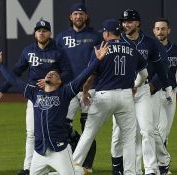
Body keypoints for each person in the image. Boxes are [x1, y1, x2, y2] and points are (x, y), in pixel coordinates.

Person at [0, 37, 106, 174]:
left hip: (59, 150)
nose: (50, 74)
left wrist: (98, 60)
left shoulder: (65, 92)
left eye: (54, 74)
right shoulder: (33, 92)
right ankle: (78, 170)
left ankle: (79, 171)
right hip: (40, 151)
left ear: (60, 81)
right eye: (49, 73)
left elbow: (83, 76)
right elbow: (13, 79)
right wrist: (0, 64)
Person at [0, 19, 72, 175]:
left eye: (44, 30)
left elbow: (68, 72)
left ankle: (61, 161)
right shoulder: (28, 51)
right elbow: (16, 72)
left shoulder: (58, 51)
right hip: (35, 96)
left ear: (49, 33)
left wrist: (53, 80)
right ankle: (28, 167)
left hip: (55, 97)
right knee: (31, 133)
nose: (41, 33)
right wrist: (2, 89)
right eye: (38, 30)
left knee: (59, 129)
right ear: (35, 33)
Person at [72, 19, 148, 175]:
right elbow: (144, 75)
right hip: (125, 96)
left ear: (106, 33)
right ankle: (130, 172)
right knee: (128, 139)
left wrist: (85, 91)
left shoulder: (101, 49)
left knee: (89, 133)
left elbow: (91, 77)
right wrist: (135, 85)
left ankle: (74, 166)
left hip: (103, 96)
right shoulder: (132, 49)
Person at [110, 9, 173, 175]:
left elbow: (162, 65)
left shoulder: (150, 42)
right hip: (121, 91)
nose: (126, 24)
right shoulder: (117, 41)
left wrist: (162, 85)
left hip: (144, 90)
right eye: (123, 22)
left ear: (138, 23)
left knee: (146, 130)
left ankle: (151, 169)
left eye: (129, 21)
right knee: (118, 133)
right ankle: (118, 168)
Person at [55, 3, 102, 172]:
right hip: (68, 88)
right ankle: (76, 148)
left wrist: (88, 85)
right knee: (62, 124)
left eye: (81, 14)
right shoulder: (61, 37)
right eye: (75, 14)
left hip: (90, 89)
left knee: (88, 128)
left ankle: (87, 166)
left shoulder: (95, 36)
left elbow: (99, 63)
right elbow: (56, 62)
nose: (78, 17)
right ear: (70, 17)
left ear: (86, 17)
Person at [152, 18, 177, 174]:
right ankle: (160, 167)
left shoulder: (176, 49)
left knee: (165, 132)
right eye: (157, 28)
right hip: (153, 94)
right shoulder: (148, 48)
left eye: (163, 29)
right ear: (153, 30)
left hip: (170, 94)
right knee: (159, 130)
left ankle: (159, 165)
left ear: (169, 31)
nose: (160, 31)